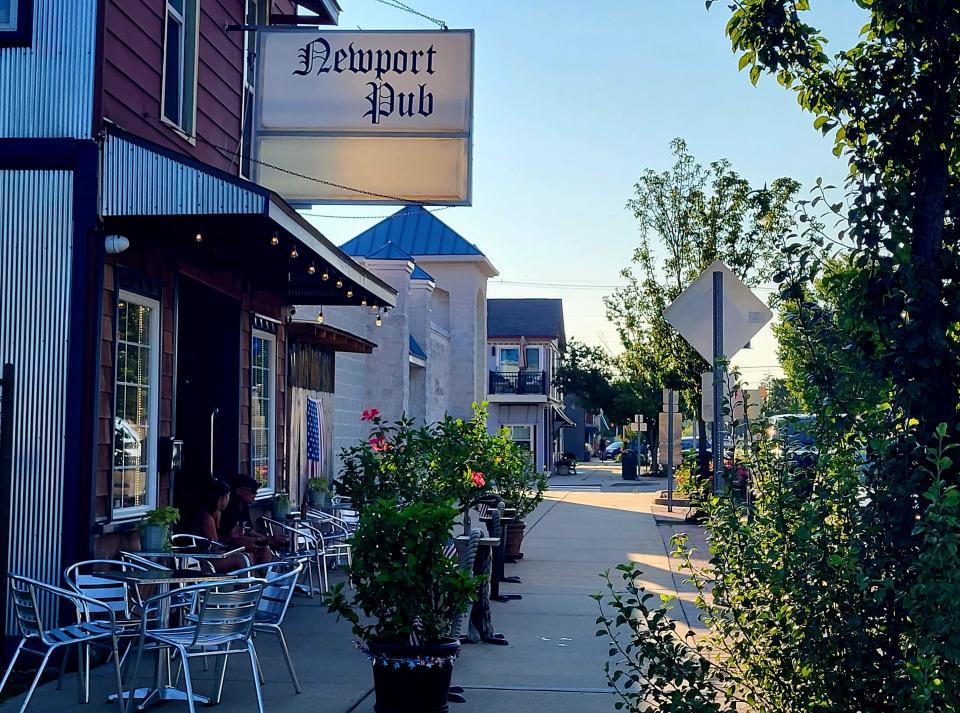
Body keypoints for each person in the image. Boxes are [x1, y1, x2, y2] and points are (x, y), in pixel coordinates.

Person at [218, 473, 277, 565]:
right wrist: (266, 540)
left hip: (239, 546)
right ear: (239, 491)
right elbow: (236, 539)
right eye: (252, 491)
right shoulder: (228, 510)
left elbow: (250, 531)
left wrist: (265, 538)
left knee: (264, 549)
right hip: (226, 548)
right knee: (252, 553)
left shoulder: (244, 507)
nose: (255, 494)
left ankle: (266, 579)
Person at [191, 478, 247, 572]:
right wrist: (230, 536)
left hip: (210, 557)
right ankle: (245, 586)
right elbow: (215, 546)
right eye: (227, 496)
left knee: (247, 556)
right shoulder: (206, 518)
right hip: (200, 562)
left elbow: (216, 543)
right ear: (221, 498)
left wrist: (231, 535)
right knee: (241, 560)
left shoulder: (216, 514)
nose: (228, 499)